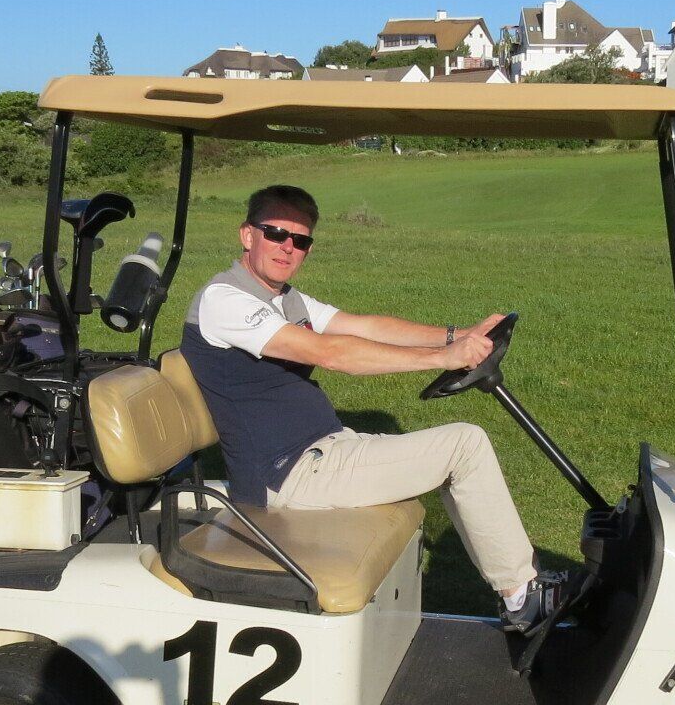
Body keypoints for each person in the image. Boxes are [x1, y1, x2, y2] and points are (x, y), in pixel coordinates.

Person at [178, 184, 568, 633]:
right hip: (288, 476)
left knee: (459, 447)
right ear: (248, 235)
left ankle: (521, 585)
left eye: (300, 240)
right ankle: (522, 596)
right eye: (275, 233)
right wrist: (443, 360)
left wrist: (456, 335)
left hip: (325, 452)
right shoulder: (226, 300)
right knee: (465, 444)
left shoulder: (287, 299)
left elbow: (361, 326)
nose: (287, 247)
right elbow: (332, 354)